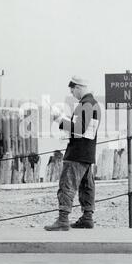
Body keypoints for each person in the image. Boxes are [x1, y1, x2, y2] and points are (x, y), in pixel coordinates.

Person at [44, 76, 101, 231]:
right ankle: (87, 218)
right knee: (86, 186)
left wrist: (59, 121)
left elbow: (80, 128)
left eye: (72, 89)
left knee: (67, 185)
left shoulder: (85, 104)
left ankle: (63, 220)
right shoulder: (93, 104)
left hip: (76, 153)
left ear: (79, 87)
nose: (71, 93)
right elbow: (84, 128)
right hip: (88, 152)